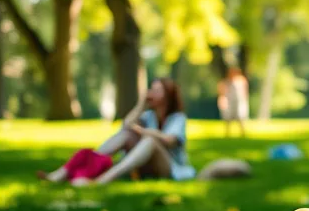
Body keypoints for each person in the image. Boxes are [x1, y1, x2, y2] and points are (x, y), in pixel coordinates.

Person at [40, 78, 195, 185]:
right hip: (146, 168)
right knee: (127, 134)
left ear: (168, 95)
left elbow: (169, 140)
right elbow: (127, 125)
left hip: (169, 169)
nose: (151, 93)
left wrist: (144, 132)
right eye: (151, 89)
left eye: (157, 90)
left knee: (150, 141)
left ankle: (103, 180)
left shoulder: (177, 118)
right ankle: (74, 169)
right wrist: (141, 104)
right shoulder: (148, 116)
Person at [218, 67, 249, 137]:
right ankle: (227, 133)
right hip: (229, 102)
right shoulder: (226, 82)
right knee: (227, 118)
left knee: (241, 117)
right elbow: (221, 91)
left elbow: (245, 92)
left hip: (240, 101)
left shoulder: (241, 81)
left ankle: (242, 133)